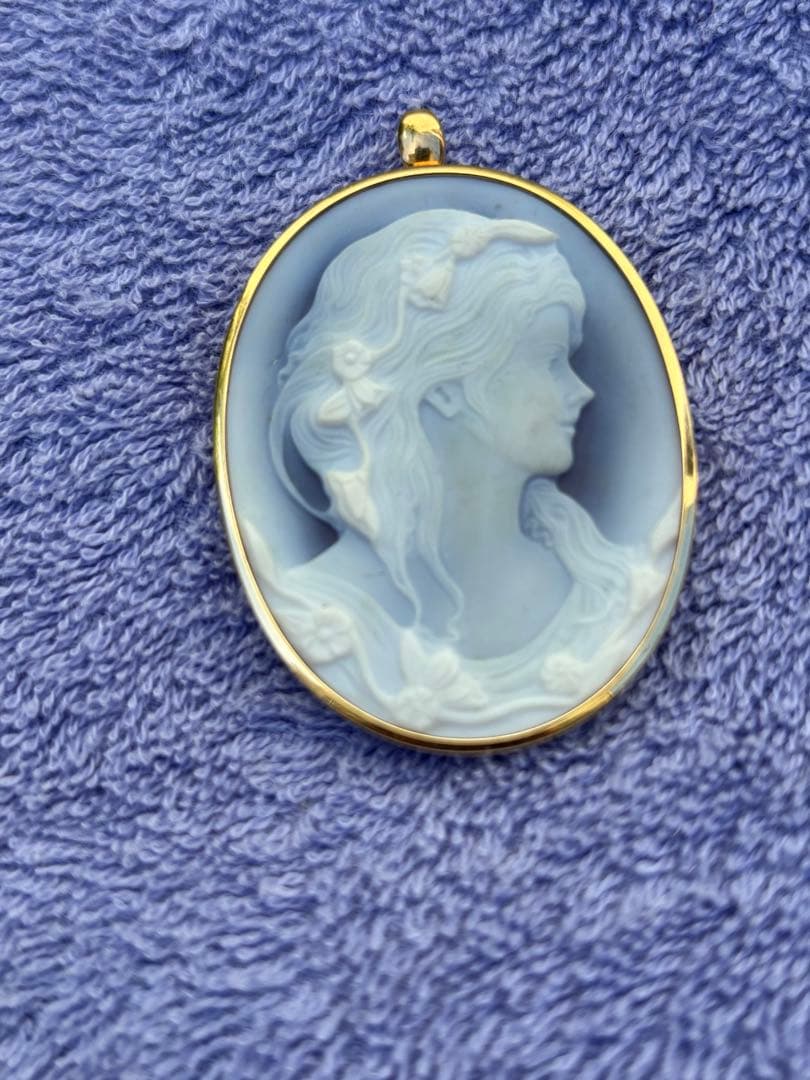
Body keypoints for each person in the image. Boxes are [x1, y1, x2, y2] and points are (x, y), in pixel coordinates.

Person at [244, 210, 677, 734]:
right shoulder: (320, 611)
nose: (580, 390)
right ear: (446, 386)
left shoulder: (606, 587)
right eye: (550, 359)